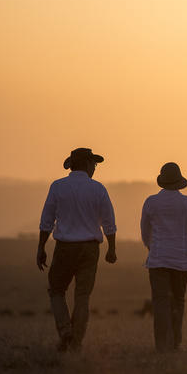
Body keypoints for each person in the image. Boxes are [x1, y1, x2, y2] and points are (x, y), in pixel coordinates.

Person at [37, 147, 117, 352]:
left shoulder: (58, 187)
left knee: (56, 290)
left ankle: (65, 331)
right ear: (88, 164)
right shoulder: (98, 189)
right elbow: (109, 221)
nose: (95, 168)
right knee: (82, 296)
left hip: (64, 247)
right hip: (89, 249)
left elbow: (47, 220)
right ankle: (76, 342)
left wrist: (41, 247)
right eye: (94, 164)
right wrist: (111, 248)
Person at [140, 162, 187, 352]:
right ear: (179, 182)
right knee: (178, 301)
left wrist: (152, 248)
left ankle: (162, 344)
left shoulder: (151, 202)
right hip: (182, 261)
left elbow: (145, 231)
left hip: (158, 259)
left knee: (160, 302)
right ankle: (175, 342)